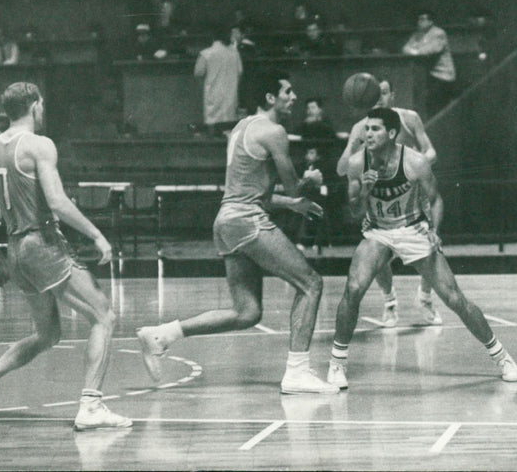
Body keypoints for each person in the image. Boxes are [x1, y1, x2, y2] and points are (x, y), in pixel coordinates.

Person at [137, 70, 338, 395]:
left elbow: (256, 192)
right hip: (247, 221)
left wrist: (291, 205)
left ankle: (163, 335)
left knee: (247, 312)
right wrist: (311, 182)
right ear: (271, 98)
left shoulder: (241, 129)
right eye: (288, 91)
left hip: (227, 222)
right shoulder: (274, 132)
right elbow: (294, 185)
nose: (294, 97)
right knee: (311, 283)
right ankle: (298, 372)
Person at [0, 82, 132, 431]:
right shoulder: (39, 145)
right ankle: (91, 406)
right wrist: (96, 234)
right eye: (42, 105)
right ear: (34, 105)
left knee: (47, 334)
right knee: (104, 316)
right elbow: (57, 202)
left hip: (15, 250)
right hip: (42, 243)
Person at [328, 107, 517, 389]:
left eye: (375, 129)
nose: (368, 134)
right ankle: (336, 364)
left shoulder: (415, 162)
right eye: (366, 129)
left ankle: (501, 356)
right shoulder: (358, 164)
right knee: (354, 288)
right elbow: (354, 213)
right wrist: (366, 191)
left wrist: (433, 230)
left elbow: (436, 199)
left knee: (454, 298)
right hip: (379, 231)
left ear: (392, 133)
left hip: (413, 228)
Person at [337, 80, 440, 327]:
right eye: (373, 94)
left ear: (392, 95)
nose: (378, 98)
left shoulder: (409, 118)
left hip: (411, 192)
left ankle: (425, 297)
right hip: (379, 197)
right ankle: (389, 301)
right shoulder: (363, 128)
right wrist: (354, 144)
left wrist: (409, 167)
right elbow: (342, 169)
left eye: (382, 92)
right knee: (378, 256)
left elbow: (431, 152)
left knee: (431, 247)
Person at [402, 11, 456, 118]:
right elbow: (405, 48)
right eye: (418, 19)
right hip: (427, 75)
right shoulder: (418, 34)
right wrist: (416, 51)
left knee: (436, 106)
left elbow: (429, 51)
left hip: (442, 75)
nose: (419, 22)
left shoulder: (439, 33)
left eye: (422, 19)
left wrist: (415, 50)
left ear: (430, 21)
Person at [195, 23, 243, 136]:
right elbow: (240, 73)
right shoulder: (235, 54)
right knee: (229, 130)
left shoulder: (206, 54)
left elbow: (198, 73)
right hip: (231, 96)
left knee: (213, 128)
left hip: (213, 95)